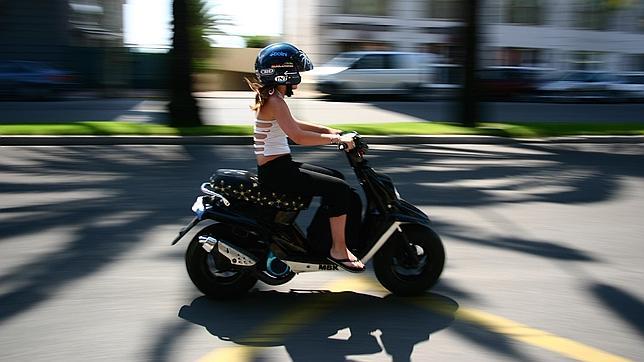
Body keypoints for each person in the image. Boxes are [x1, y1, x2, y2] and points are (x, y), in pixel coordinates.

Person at [245, 42, 365, 273]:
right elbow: (298, 136)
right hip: (277, 172)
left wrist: (332, 131)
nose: (298, 77)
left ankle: (320, 240)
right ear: (282, 72)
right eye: (296, 72)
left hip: (279, 167)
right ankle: (338, 250)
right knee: (338, 189)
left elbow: (295, 125)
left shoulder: (273, 98)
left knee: (336, 177)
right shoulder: (274, 101)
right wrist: (336, 141)